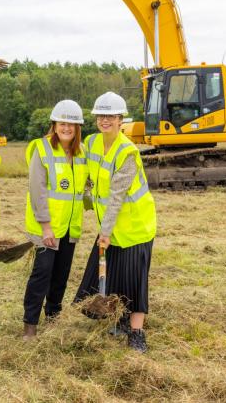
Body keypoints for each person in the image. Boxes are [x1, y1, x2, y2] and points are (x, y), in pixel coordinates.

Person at [74, 91, 156, 353]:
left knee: (134, 280)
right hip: (109, 226)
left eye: (111, 116)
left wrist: (105, 231)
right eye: (101, 115)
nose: (105, 120)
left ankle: (136, 332)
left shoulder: (127, 151)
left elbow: (118, 195)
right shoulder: (92, 142)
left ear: (121, 119)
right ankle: (118, 321)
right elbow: (87, 176)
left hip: (134, 227)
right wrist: (86, 197)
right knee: (112, 275)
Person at [22, 100, 88, 339]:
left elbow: (83, 188)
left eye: (72, 124)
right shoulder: (41, 149)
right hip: (46, 228)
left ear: (78, 127)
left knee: (61, 275)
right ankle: (30, 324)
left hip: (70, 227)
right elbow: (37, 190)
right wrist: (46, 227)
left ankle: (54, 316)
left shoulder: (82, 153)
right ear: (54, 124)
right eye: (62, 123)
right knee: (42, 275)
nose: (67, 128)